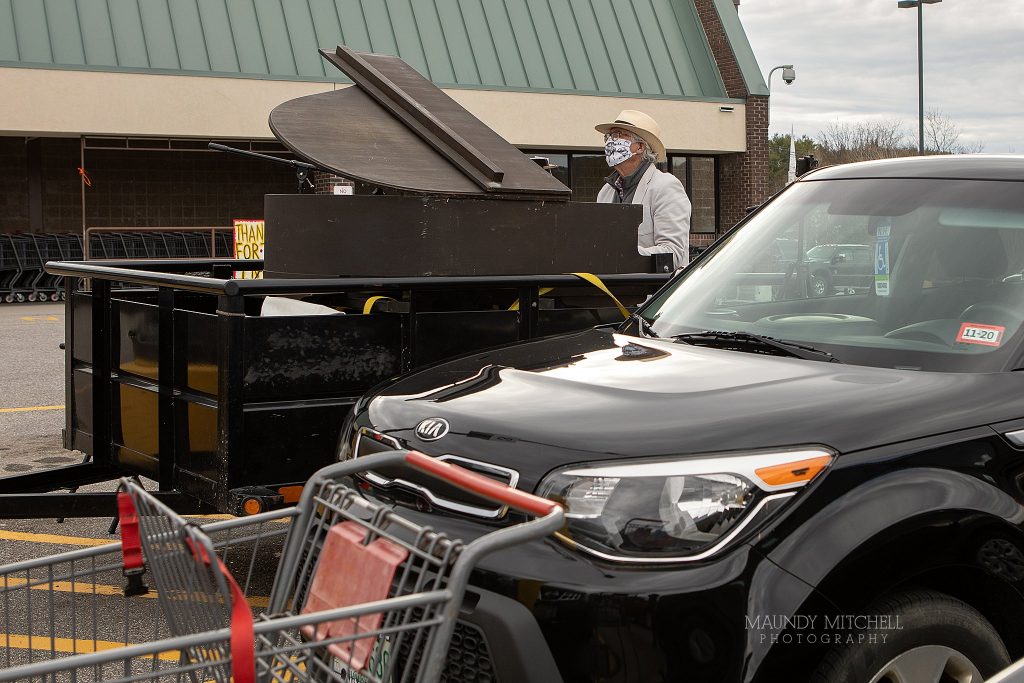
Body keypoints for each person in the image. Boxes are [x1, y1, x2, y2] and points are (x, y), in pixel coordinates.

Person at [595, 110, 691, 268]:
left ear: (639, 147)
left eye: (619, 135)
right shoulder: (606, 191)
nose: (610, 142)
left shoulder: (666, 187)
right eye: (609, 136)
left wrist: (621, 255)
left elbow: (672, 254)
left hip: (655, 291)